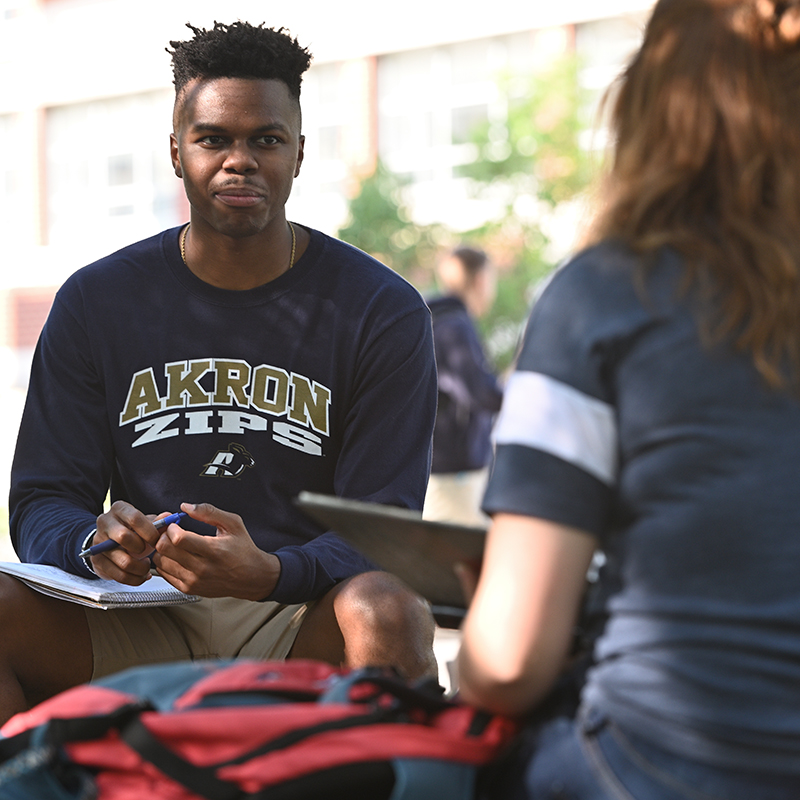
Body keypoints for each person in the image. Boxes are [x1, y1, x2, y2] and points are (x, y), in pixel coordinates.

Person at [1, 21, 439, 727]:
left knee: (388, 608)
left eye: (265, 139)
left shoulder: (381, 310)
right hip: (146, 612)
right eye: (213, 139)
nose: (240, 161)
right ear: (177, 153)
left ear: (299, 152)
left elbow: (384, 524)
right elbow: (44, 497)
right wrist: (94, 544)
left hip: (299, 615)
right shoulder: (96, 301)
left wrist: (272, 572)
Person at [457, 1, 800, 797]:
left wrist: (484, 625)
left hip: (663, 763)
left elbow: (507, 665)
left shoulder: (603, 296)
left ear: (654, 109)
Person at [424, 247, 503, 526]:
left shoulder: (433, 318)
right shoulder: (455, 326)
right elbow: (480, 393)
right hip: (454, 471)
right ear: (481, 280)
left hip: (436, 466)